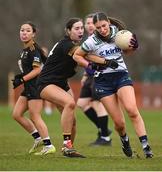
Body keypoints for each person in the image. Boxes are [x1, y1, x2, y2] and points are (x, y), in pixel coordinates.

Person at [73, 12, 153, 158]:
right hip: (103, 81)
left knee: (132, 110)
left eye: (104, 26)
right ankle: (125, 140)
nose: (102, 29)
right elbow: (77, 56)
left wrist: (134, 47)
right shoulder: (91, 41)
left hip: (121, 75)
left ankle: (146, 147)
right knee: (119, 123)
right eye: (98, 28)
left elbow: (127, 52)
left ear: (108, 22)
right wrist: (94, 65)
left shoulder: (120, 33)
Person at [37, 18, 85, 158]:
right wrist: (104, 58)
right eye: (76, 28)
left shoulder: (73, 44)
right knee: (69, 103)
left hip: (61, 82)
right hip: (46, 83)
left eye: (82, 28)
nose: (80, 30)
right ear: (68, 31)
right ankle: (66, 145)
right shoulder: (67, 45)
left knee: (73, 120)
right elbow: (82, 54)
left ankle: (69, 150)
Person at [12, 21, 56, 155]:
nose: (24, 33)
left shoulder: (33, 50)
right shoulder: (25, 50)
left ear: (33, 34)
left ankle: (49, 145)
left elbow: (37, 71)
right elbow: (30, 69)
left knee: (35, 116)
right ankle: (38, 138)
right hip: (28, 86)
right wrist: (22, 76)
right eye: (22, 30)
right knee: (16, 114)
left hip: (35, 86)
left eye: (27, 31)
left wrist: (22, 79)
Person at [77, 13, 112, 146]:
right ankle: (104, 129)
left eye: (92, 23)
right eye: (87, 23)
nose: (89, 25)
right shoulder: (88, 40)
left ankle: (105, 138)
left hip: (100, 75)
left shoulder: (101, 39)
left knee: (98, 104)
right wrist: (85, 75)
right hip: (90, 76)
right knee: (81, 104)